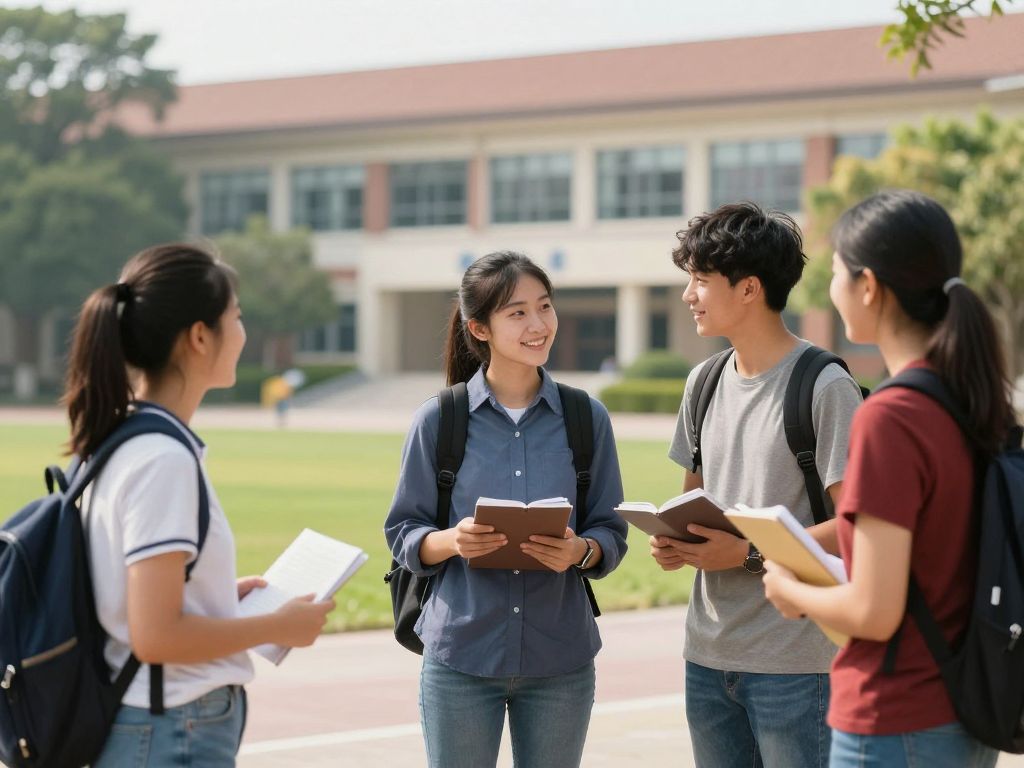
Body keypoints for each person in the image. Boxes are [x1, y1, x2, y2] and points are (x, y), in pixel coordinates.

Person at [762, 190, 1011, 768]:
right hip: (966, 708)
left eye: (835, 273)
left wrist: (792, 593)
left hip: (894, 718)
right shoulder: (972, 401)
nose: (831, 289)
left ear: (868, 287)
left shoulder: (892, 417)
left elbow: (874, 611)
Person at [65, 244, 334, 767]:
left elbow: (123, 597)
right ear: (199, 336)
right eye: (236, 317)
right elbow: (157, 636)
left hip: (150, 718)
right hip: (172, 726)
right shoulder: (162, 460)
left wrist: (213, 597)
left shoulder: (118, 440)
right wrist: (278, 626)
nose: (243, 333)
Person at [384, 251, 628, 768]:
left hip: (561, 658)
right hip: (461, 656)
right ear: (480, 328)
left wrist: (580, 551)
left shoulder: (587, 418)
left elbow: (611, 530)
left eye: (545, 306)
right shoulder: (439, 420)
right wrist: (453, 540)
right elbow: (404, 531)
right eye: (517, 313)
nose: (538, 324)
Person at [652, 203, 863, 767]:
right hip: (707, 656)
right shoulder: (703, 381)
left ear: (749, 289)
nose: (687, 294)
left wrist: (745, 554)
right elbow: (694, 502)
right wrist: (676, 541)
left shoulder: (826, 386)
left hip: (799, 664)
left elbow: (857, 527)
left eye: (700, 279)